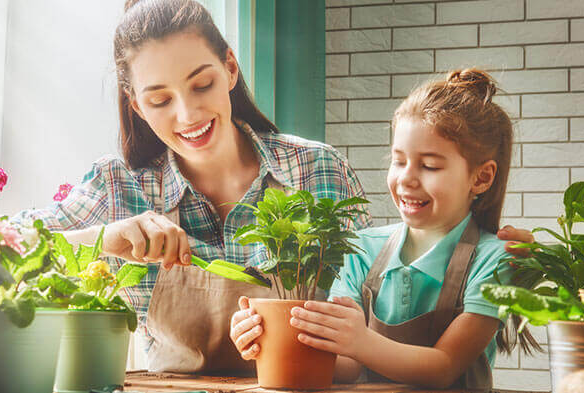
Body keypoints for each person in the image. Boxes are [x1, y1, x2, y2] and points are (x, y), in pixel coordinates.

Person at [15, 0, 533, 375]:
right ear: (134, 103)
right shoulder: (116, 185)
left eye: (201, 84)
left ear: (230, 68)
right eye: (159, 99)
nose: (188, 114)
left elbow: (363, 336)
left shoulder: (318, 172)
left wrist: (482, 257)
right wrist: (104, 238)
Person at [230, 69, 539, 388]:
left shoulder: (497, 260)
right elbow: (347, 366)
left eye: (430, 165)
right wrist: (269, 337)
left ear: (481, 178)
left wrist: (360, 341)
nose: (406, 178)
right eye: (398, 160)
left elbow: (444, 367)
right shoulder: (360, 249)